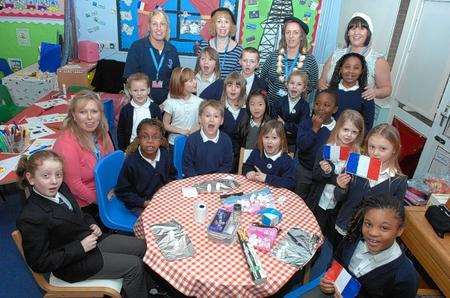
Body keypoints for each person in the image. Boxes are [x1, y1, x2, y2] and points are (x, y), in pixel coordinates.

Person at [16, 150, 151, 297]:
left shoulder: (62, 189)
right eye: (46, 176)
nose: (54, 181)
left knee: (143, 246)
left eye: (58, 174)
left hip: (89, 239)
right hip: (73, 264)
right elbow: (39, 263)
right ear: (31, 178)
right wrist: (80, 247)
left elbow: (79, 215)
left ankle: (147, 287)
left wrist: (92, 224)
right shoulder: (31, 217)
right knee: (134, 266)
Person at [320, 194, 418, 297]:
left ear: (399, 230)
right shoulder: (352, 240)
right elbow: (335, 262)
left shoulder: (405, 277)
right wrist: (328, 282)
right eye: (368, 224)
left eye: (384, 228)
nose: (372, 233)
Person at [333, 124, 407, 246]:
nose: (375, 153)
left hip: (370, 237)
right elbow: (338, 198)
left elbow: (394, 214)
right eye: (371, 147)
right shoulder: (355, 165)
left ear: (395, 149)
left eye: (383, 149)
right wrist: (341, 187)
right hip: (343, 225)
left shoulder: (398, 181)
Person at [53, 90, 114, 217]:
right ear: (74, 116)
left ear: (100, 114)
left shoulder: (101, 132)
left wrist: (115, 190)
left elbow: (112, 163)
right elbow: (74, 186)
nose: (90, 117)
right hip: (84, 204)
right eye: (83, 112)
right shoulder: (66, 144)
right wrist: (101, 201)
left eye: (94, 111)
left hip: (106, 192)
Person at [307, 110, 364, 240]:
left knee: (328, 238)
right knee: (313, 232)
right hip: (318, 202)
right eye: (345, 129)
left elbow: (351, 188)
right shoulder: (326, 148)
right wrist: (327, 173)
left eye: (354, 132)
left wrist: (342, 185)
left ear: (359, 134)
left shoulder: (356, 156)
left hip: (337, 209)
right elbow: (315, 175)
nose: (349, 135)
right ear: (338, 128)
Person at [319, 12, 392, 101]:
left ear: (368, 33)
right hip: (330, 109)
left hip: (357, 112)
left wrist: (375, 92)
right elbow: (322, 80)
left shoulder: (378, 61)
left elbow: (387, 89)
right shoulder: (336, 55)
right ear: (348, 33)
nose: (356, 32)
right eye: (353, 29)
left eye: (362, 29)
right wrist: (321, 83)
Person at [116, 119, 172, 215]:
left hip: (161, 199)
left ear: (161, 140)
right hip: (139, 204)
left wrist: (166, 192)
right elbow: (123, 191)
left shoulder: (164, 154)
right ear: (138, 139)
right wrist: (144, 203)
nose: (150, 141)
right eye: (145, 137)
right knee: (159, 220)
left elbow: (172, 175)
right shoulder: (131, 162)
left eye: (155, 137)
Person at [123, 10, 180, 105]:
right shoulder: (137, 47)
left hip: (167, 104)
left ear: (167, 28)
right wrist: (144, 101)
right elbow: (130, 78)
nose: (159, 28)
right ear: (149, 27)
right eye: (155, 24)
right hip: (142, 102)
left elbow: (176, 80)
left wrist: (169, 103)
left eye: (162, 24)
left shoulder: (172, 50)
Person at [260, 16, 318, 104]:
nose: (291, 36)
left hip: (296, 110)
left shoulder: (310, 60)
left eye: (295, 32)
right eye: (288, 32)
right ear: (284, 35)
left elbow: (312, 85)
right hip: (271, 107)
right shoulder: (273, 56)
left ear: (301, 36)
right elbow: (263, 78)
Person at [295, 89, 338, 199]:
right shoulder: (306, 123)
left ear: (335, 109)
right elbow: (302, 146)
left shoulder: (337, 130)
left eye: (326, 105)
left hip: (323, 174)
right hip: (304, 170)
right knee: (299, 198)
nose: (321, 108)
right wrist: (314, 129)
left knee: (314, 200)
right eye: (317, 104)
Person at [183, 100, 233, 177]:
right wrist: (198, 181)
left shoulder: (226, 140)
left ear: (222, 121)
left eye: (216, 116)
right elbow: (188, 167)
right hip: (196, 181)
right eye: (207, 116)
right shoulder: (192, 140)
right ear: (200, 119)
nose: (211, 119)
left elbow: (227, 165)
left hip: (218, 180)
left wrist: (215, 179)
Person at [243, 120, 297, 190]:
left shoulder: (286, 160)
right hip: (254, 191)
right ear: (261, 138)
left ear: (282, 141)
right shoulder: (256, 152)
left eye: (274, 138)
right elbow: (247, 166)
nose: (269, 141)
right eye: (266, 137)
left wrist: (266, 178)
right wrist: (249, 172)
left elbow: (290, 183)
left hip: (276, 196)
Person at [329, 52, 374, 130]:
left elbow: (367, 125)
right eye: (347, 67)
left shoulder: (366, 95)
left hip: (352, 139)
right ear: (340, 69)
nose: (351, 71)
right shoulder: (329, 91)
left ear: (361, 71)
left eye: (356, 68)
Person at [117, 73, 162, 151]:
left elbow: (160, 128)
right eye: (135, 90)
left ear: (148, 90)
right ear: (130, 91)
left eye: (142, 90)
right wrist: (122, 149)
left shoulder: (155, 108)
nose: (139, 93)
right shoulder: (126, 110)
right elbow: (121, 130)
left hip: (151, 145)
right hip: (131, 146)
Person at [162, 67, 203, 148]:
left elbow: (201, 122)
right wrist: (182, 131)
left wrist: (194, 130)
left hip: (193, 143)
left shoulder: (200, 102)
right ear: (180, 84)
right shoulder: (170, 102)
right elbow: (165, 125)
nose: (195, 82)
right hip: (174, 143)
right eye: (191, 81)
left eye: (194, 79)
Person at [271, 70, 310, 150]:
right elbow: (273, 122)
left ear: (304, 88)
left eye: (299, 84)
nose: (294, 86)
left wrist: (285, 125)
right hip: (276, 140)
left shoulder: (305, 106)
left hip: (293, 143)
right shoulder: (278, 102)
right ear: (287, 85)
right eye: (292, 83)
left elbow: (301, 128)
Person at [199, 8, 243, 79]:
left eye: (226, 22)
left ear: (231, 25)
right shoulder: (204, 45)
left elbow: (238, 77)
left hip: (228, 89)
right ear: (214, 25)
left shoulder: (239, 49)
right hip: (207, 87)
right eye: (219, 21)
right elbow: (199, 71)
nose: (223, 25)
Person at [220, 71, 247, 169]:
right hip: (221, 157)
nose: (233, 89)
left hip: (241, 159)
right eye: (230, 85)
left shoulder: (247, 110)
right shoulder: (218, 108)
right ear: (225, 88)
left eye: (237, 86)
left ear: (242, 90)